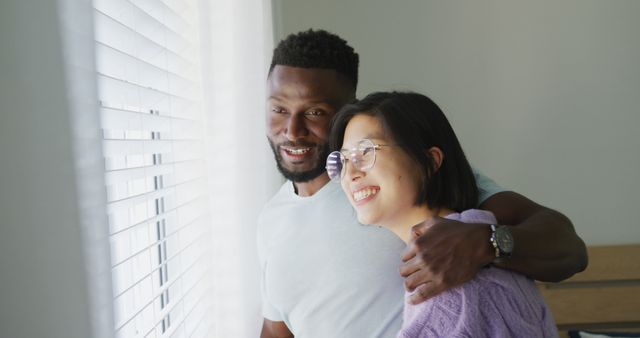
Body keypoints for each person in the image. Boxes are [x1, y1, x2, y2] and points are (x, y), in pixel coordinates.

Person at [258, 29, 586, 337]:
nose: (291, 130)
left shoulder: (405, 181)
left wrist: (487, 241)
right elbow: (277, 329)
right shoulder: (272, 219)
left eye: (314, 112)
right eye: (278, 109)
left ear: (349, 107)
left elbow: (569, 248)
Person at [327, 91, 558, 337]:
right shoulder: (484, 257)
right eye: (342, 160)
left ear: (429, 161)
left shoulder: (449, 286)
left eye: (365, 151)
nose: (350, 173)